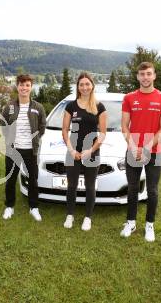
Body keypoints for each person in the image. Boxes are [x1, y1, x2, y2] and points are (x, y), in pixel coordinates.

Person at [120, 62, 161, 241]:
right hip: (133, 150)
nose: (145, 77)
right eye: (142, 74)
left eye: (149, 74)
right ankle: (131, 222)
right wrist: (134, 147)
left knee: (152, 190)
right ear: (137, 77)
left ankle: (150, 225)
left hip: (155, 151)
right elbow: (124, 126)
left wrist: (147, 148)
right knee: (133, 188)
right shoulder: (129, 98)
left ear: (154, 76)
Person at [62, 72, 107, 231]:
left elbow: (102, 133)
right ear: (78, 87)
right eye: (81, 84)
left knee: (89, 186)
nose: (85, 87)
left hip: (92, 152)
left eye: (87, 84)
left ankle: (88, 217)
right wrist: (71, 150)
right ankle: (70, 215)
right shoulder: (71, 106)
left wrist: (91, 150)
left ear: (92, 86)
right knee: (72, 186)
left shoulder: (99, 107)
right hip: (72, 152)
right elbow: (65, 130)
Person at [1, 74, 46, 221]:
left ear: (31, 87)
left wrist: (34, 139)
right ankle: (9, 206)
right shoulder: (9, 107)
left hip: (31, 150)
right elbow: (3, 125)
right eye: (21, 85)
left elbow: (42, 126)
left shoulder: (38, 107)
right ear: (17, 87)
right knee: (11, 179)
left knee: (33, 179)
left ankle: (34, 207)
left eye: (27, 85)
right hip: (13, 150)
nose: (24, 88)